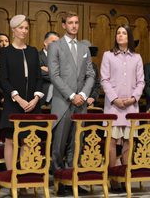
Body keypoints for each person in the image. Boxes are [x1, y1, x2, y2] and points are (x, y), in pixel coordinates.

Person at [47, 11, 95, 193]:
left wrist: (82, 94)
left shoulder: (84, 48)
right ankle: (60, 183)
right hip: (63, 102)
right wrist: (71, 95)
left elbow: (90, 74)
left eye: (76, 22)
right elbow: (54, 75)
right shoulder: (55, 46)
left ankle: (73, 180)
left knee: (77, 143)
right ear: (63, 25)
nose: (74, 25)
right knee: (59, 145)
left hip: (81, 103)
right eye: (70, 22)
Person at [100, 24, 144, 191]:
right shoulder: (108, 55)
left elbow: (141, 81)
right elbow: (104, 79)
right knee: (111, 141)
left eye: (124, 33)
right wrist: (115, 99)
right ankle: (113, 178)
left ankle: (125, 176)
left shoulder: (137, 57)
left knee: (128, 142)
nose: (120, 35)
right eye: (118, 33)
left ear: (129, 37)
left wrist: (133, 98)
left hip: (131, 107)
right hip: (113, 107)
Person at [0, 14, 44, 170]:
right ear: (13, 30)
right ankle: (11, 177)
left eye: (26, 28)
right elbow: (3, 80)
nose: (24, 31)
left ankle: (24, 177)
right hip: (13, 103)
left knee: (28, 139)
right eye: (21, 28)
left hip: (31, 103)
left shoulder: (33, 51)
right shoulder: (6, 52)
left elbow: (39, 78)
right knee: (10, 139)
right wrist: (18, 98)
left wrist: (36, 98)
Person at [39, 31, 59, 107]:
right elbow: (38, 73)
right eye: (53, 42)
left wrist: (48, 69)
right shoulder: (37, 56)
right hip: (42, 99)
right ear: (45, 42)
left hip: (59, 100)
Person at [82, 39, 100, 107]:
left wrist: (93, 97)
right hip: (76, 102)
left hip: (90, 103)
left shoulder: (94, 66)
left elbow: (97, 84)